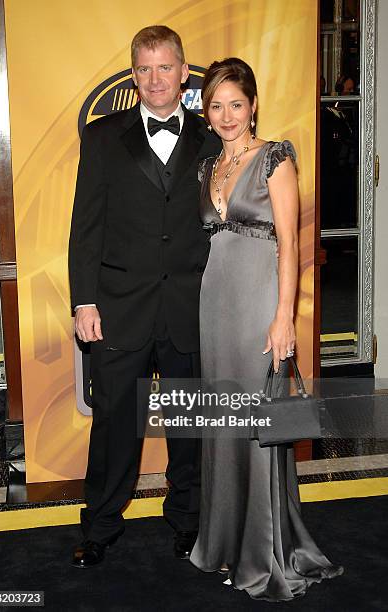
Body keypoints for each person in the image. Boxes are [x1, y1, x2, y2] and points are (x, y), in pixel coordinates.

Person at [189, 58, 343, 601]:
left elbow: (291, 245)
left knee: (257, 424)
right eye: (216, 105)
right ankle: (226, 542)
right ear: (206, 112)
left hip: (258, 303)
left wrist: (285, 316)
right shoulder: (207, 166)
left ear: (253, 105)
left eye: (236, 103)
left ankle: (263, 553)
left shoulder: (275, 158)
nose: (227, 114)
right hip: (215, 303)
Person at [68, 25, 220, 568]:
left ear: (184, 71)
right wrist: (83, 301)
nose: (155, 79)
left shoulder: (212, 137)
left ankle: (189, 520)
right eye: (144, 69)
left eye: (165, 67)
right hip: (118, 309)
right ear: (134, 77)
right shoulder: (104, 136)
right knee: (114, 427)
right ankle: (100, 526)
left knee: (189, 428)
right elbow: (85, 226)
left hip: (189, 308)